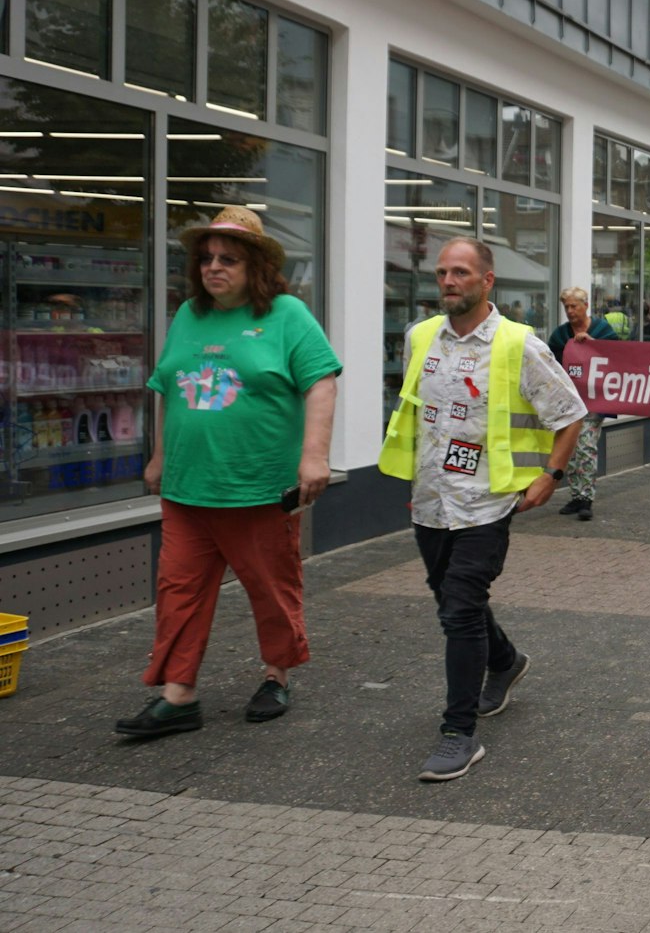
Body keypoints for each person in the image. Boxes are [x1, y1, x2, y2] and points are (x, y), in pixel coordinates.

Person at [116, 207, 341, 739]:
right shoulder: (189, 316)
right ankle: (179, 694)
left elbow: (322, 384)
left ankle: (276, 675)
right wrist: (159, 456)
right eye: (207, 259)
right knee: (179, 590)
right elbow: (168, 389)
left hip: (258, 487)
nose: (214, 267)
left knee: (271, 587)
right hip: (189, 488)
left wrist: (314, 456)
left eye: (228, 259)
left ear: (255, 265)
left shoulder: (287, 315)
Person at [378, 237, 586, 782]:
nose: (448, 281)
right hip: (429, 500)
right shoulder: (419, 337)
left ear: (486, 281)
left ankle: (458, 733)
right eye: (442, 272)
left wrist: (550, 476)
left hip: (488, 502)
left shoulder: (520, 344)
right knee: (450, 598)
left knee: (461, 609)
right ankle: (506, 661)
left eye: (461, 273)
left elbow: (570, 414)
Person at [548, 287, 616, 522]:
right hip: (569, 402)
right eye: (566, 306)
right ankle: (577, 495)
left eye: (574, 306)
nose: (569, 311)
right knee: (573, 449)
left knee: (586, 445)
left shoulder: (602, 330)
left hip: (594, 400)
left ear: (585, 305)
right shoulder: (559, 335)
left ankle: (586, 497)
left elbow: (617, 356)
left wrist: (593, 344)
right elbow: (551, 364)